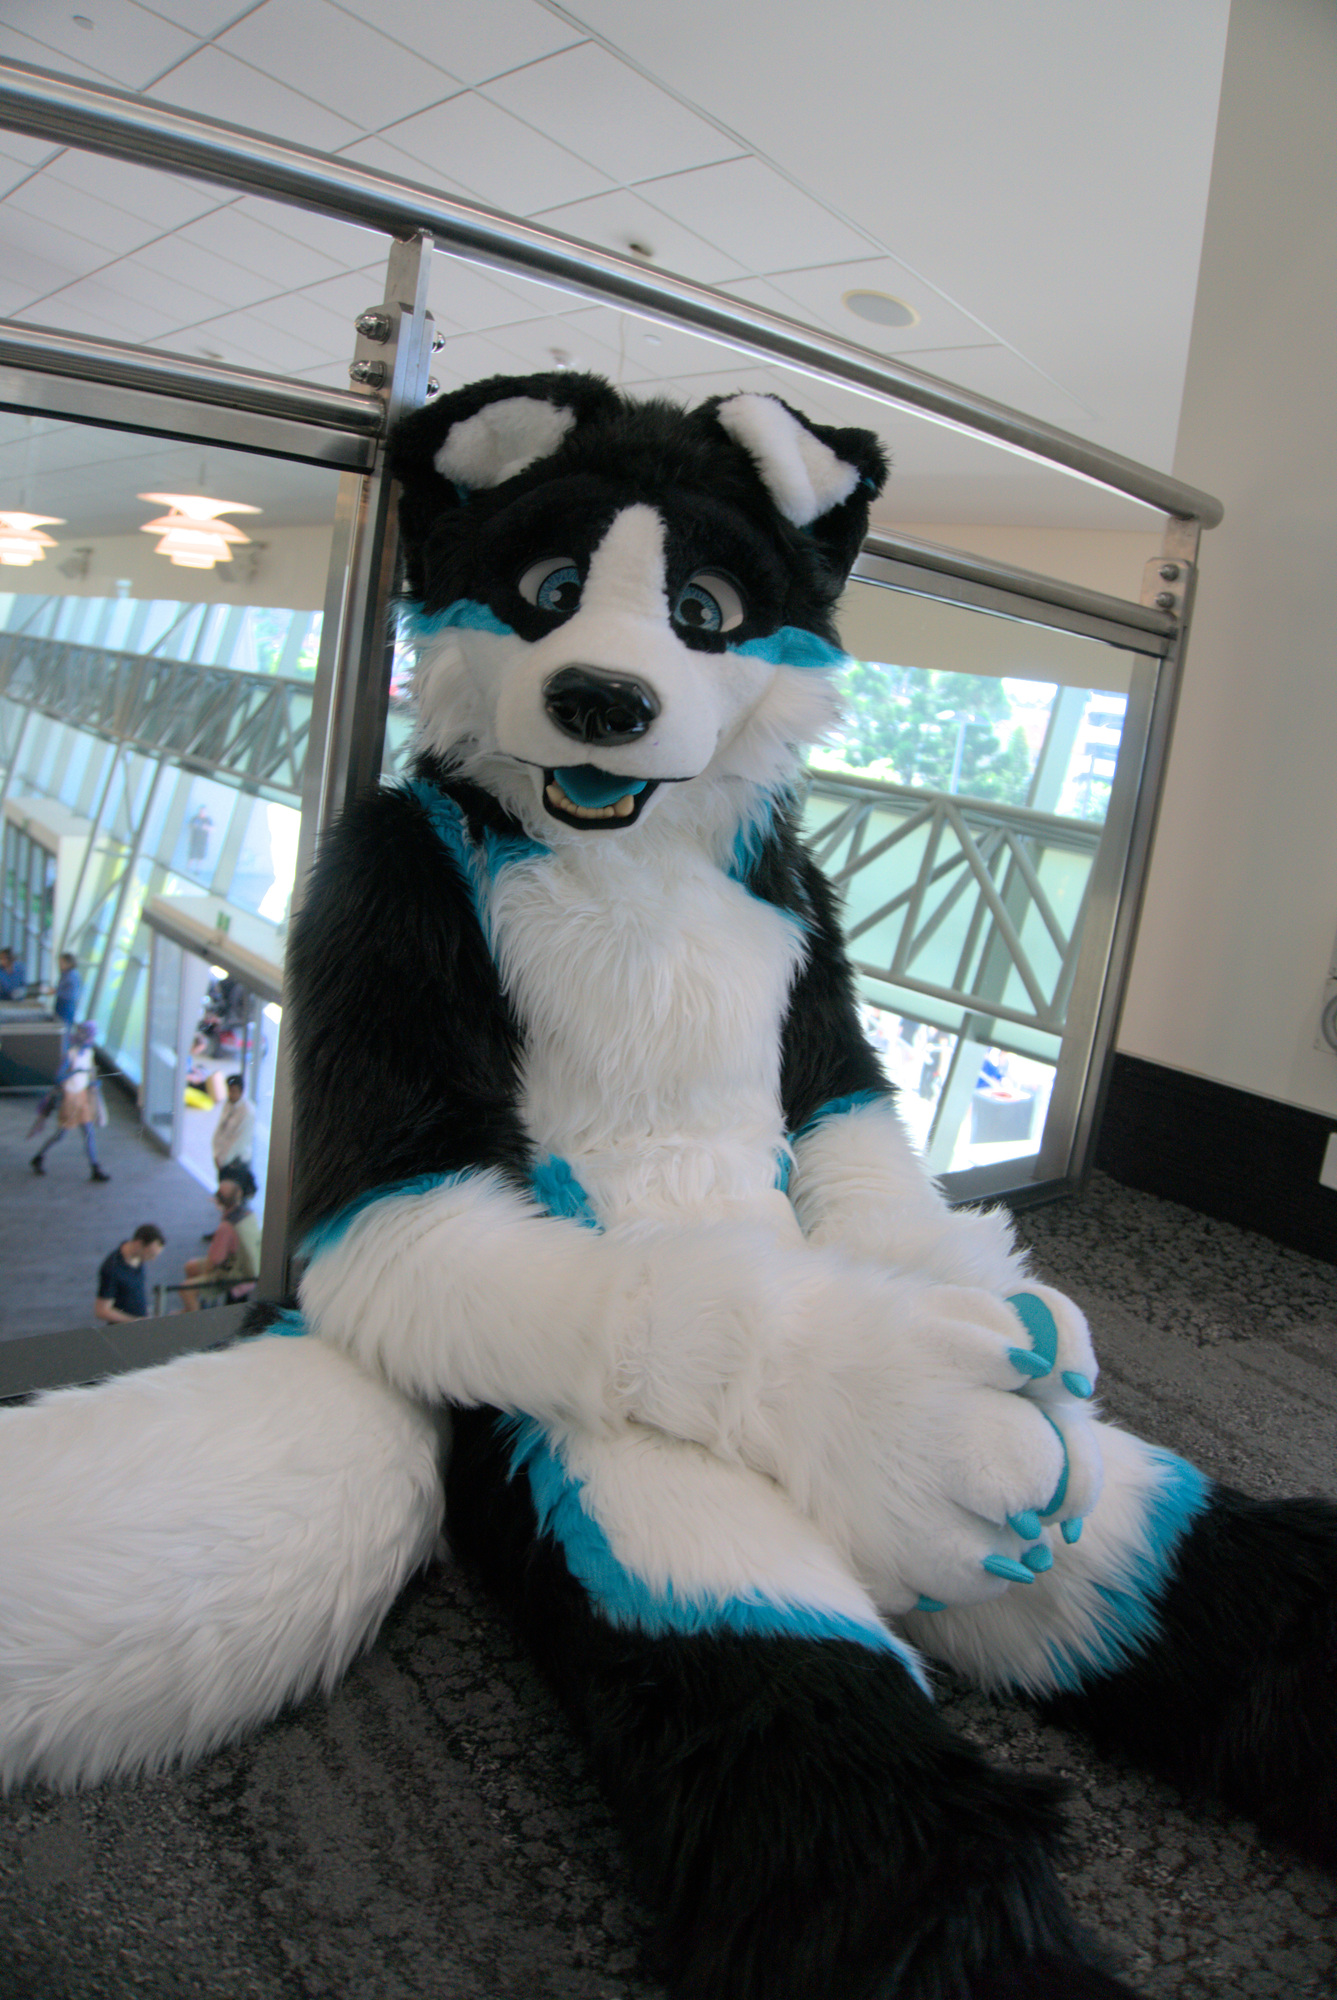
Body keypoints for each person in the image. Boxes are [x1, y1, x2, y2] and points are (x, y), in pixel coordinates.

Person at [30, 1022, 110, 1181]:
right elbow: (58, 1078)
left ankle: (95, 1168)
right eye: (91, 1037)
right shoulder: (71, 1055)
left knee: (89, 1133)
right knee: (61, 1135)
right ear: (84, 1037)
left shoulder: (88, 1053)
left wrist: (93, 1083)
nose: (92, 1040)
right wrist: (75, 1072)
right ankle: (39, 1156)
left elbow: (88, 1075)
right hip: (69, 1099)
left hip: (82, 1096)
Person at [179, 1166, 261, 1310]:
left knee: (186, 1289)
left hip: (235, 1273)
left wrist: (204, 1279)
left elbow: (214, 1261)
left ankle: (194, 1315)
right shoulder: (249, 1215)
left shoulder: (227, 1226)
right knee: (191, 1266)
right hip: (247, 1266)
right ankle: (198, 1304)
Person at [94, 1225, 165, 1324]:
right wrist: (135, 1321)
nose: (152, 1259)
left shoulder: (138, 1257)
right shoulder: (112, 1268)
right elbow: (102, 1311)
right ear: (139, 1244)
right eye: (150, 1254)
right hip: (124, 1328)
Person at [211, 1073, 256, 1178]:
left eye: (234, 1091)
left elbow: (239, 1141)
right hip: (223, 1158)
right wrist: (216, 1154)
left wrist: (224, 1160)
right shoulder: (228, 1104)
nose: (230, 1094)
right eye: (229, 1090)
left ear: (241, 1091)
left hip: (236, 1161)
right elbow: (221, 1129)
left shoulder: (248, 1111)